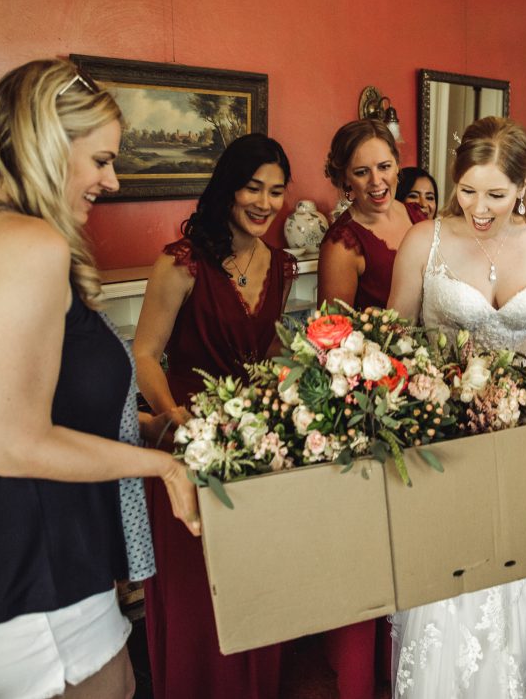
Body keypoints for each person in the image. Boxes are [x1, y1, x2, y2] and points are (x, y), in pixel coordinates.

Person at [0, 58, 199, 699]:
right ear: (45, 140)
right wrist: (164, 470)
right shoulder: (26, 245)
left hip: (13, 578)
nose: (112, 179)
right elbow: (13, 441)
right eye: (100, 160)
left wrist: (152, 429)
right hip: (34, 586)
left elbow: (22, 401)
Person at [388, 116, 526, 698]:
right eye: (467, 190)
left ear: (524, 185)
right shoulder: (424, 240)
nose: (479, 208)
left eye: (496, 194)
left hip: (522, 438)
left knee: (518, 581)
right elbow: (392, 338)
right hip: (442, 437)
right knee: (448, 589)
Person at [133, 134, 298, 698]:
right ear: (228, 186)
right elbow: (144, 354)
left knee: (255, 574)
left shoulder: (282, 265)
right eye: (253, 187)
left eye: (277, 191)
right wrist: (172, 417)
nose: (265, 202)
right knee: (194, 585)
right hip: (188, 436)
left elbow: (268, 352)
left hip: (254, 439)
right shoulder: (181, 262)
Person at [318, 119, 428, 309]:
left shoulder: (419, 217)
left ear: (397, 165)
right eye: (361, 172)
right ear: (346, 179)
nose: (376, 181)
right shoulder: (341, 245)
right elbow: (332, 331)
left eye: (384, 167)